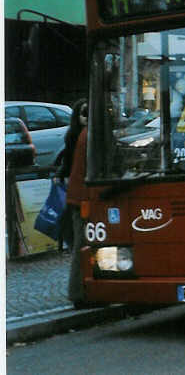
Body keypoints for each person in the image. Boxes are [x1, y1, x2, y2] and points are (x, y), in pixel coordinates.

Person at [64, 101, 89, 306]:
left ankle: (83, 290)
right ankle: (78, 293)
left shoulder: (81, 135)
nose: (87, 116)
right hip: (81, 197)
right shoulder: (82, 136)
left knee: (82, 245)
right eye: (84, 113)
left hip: (79, 196)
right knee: (81, 245)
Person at [55, 99, 87, 250]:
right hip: (77, 186)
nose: (86, 117)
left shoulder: (90, 133)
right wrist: (63, 175)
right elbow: (68, 160)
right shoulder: (74, 135)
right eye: (83, 113)